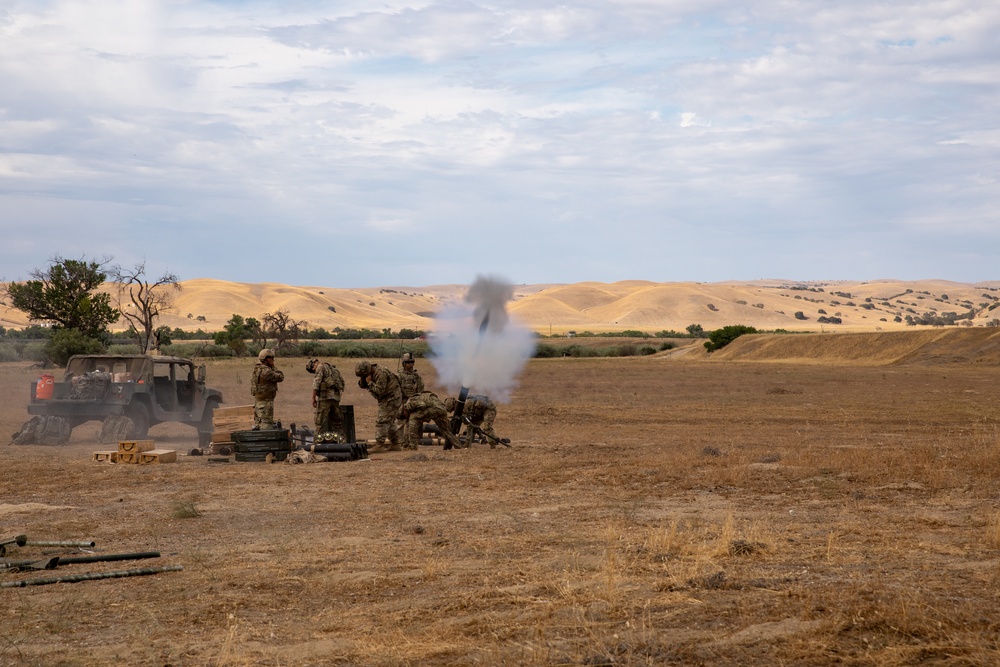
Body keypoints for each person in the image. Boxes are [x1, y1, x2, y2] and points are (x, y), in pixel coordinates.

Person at [354, 360, 402, 452]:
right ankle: (395, 444)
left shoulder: (381, 373)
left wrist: (370, 382)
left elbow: (380, 390)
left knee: (382, 421)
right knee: (389, 422)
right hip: (385, 398)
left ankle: (379, 445)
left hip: (392, 398)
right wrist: (363, 381)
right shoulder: (370, 373)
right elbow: (363, 386)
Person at [306, 358, 346, 442]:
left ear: (314, 363)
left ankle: (316, 445)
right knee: (337, 424)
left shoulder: (320, 367)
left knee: (319, 423)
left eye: (312, 369)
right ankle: (342, 443)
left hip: (325, 398)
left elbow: (316, 383)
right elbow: (342, 383)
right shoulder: (332, 368)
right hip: (335, 399)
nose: (314, 370)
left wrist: (313, 398)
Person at [396, 352, 424, 446]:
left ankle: (409, 442)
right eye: (408, 362)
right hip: (402, 402)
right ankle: (399, 442)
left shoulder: (416, 376)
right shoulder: (399, 376)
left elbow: (420, 389)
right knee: (400, 422)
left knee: (412, 423)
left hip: (413, 402)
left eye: (412, 362)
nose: (411, 364)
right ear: (404, 364)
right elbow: (395, 390)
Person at [251, 348, 284, 429]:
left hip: (258, 403)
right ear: (267, 359)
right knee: (266, 428)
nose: (273, 360)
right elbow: (280, 377)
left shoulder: (256, 369)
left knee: (259, 424)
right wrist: (273, 366)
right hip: (265, 404)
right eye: (271, 359)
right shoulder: (266, 371)